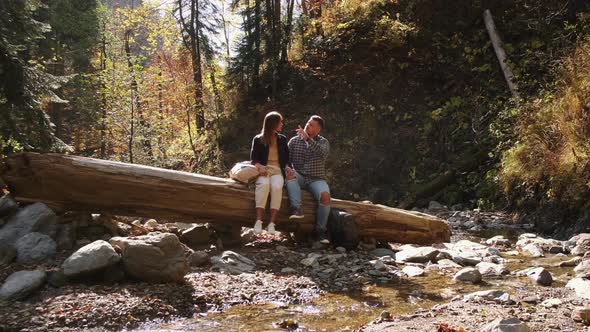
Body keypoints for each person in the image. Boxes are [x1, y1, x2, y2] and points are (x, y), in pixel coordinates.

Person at [285, 115, 331, 244]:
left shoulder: (323, 142)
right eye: (307, 123)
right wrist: (287, 167)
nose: (307, 126)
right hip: (299, 175)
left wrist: (308, 140)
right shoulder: (294, 141)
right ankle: (296, 208)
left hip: (316, 179)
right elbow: (285, 159)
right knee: (290, 174)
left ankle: (320, 231)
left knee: (326, 197)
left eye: (311, 125)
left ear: (318, 129)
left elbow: (322, 154)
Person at [250, 111, 290, 235]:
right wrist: (259, 167)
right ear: (273, 124)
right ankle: (258, 221)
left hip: (278, 170)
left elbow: (287, 159)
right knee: (263, 185)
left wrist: (288, 168)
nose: (282, 124)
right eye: (280, 122)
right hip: (264, 170)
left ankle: (272, 223)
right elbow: (254, 159)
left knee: (277, 187)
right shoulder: (258, 139)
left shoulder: (282, 139)